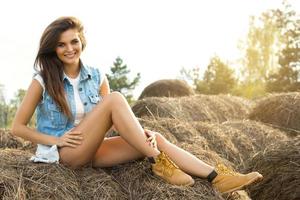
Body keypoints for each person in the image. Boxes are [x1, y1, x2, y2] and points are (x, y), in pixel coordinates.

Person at [11, 16, 263, 193]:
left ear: (82, 42)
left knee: (157, 138)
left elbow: (110, 122)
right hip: (63, 156)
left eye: (74, 41)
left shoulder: (97, 77)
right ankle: (160, 164)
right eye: (61, 44)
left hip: (94, 152)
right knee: (116, 98)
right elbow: (17, 128)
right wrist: (59, 141)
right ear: (53, 49)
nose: (69, 49)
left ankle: (216, 177)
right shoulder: (42, 80)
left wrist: (141, 135)